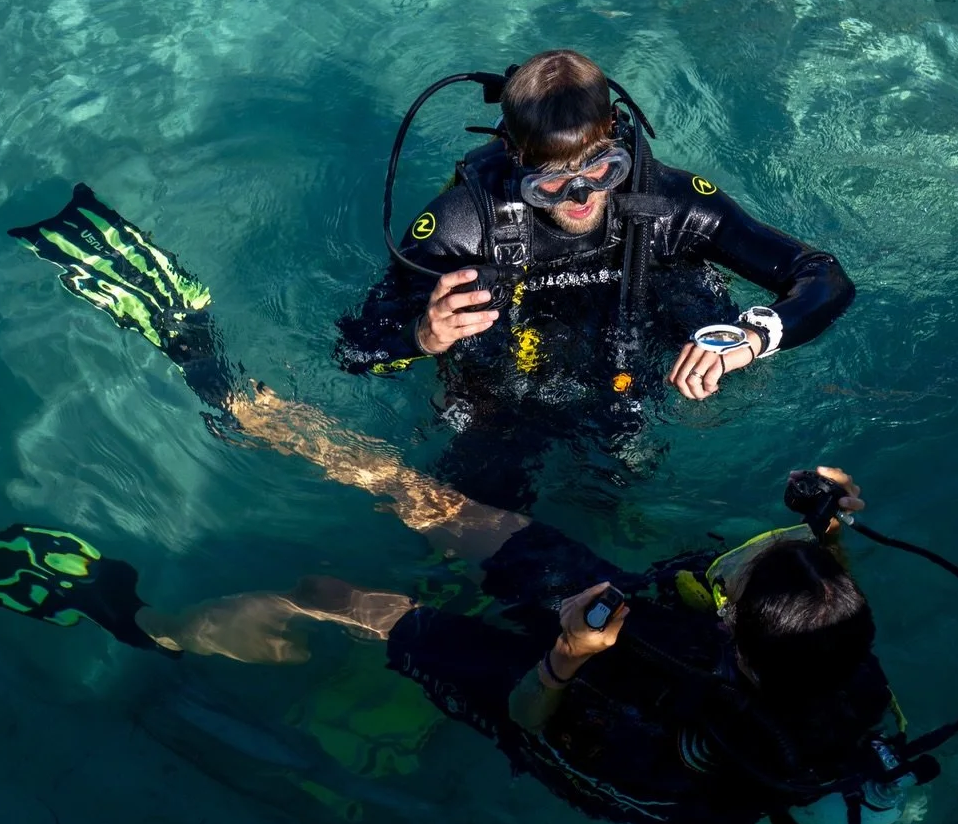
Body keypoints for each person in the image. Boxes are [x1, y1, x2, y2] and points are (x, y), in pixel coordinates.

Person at [0, 439, 933, 824]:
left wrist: (569, 653)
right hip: (652, 643)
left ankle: (132, 619)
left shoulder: (684, 754)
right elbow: (795, 578)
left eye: (745, 583)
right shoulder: (838, 645)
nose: (745, 562)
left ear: (743, 645)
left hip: (569, 701)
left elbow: (542, 731)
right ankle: (262, 410)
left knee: (335, 596)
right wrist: (827, 522)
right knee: (451, 509)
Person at [334, 50, 856, 505]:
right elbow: (355, 352)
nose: (582, 198)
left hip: (645, 315)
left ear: (615, 135)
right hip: (516, 364)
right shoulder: (461, 226)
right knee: (483, 474)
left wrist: (752, 336)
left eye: (601, 171)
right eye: (555, 182)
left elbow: (824, 277)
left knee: (627, 457)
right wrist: (422, 336)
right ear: (518, 160)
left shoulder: (671, 203)